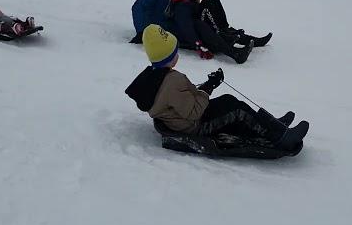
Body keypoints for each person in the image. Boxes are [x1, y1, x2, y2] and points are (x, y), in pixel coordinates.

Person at [125, 24, 308, 156]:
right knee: (236, 110)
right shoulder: (172, 81)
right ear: (170, 56)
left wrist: (206, 86)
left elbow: (182, 100)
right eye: (175, 53)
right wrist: (209, 88)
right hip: (195, 127)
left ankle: (272, 123)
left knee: (229, 101)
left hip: (183, 119)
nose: (178, 55)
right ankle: (280, 137)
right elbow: (195, 112)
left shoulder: (157, 76)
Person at [172, 0, 269, 64]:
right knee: (200, 22)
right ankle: (234, 53)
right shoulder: (182, 7)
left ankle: (240, 37)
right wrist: (199, 46)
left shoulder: (189, 1)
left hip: (203, 34)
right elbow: (186, 29)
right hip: (199, 40)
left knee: (211, 0)